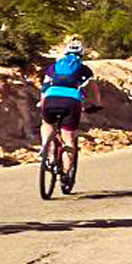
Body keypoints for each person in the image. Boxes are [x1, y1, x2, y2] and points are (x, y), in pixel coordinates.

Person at [37, 33, 96, 179]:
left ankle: (45, 147)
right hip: (71, 102)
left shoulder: (54, 67)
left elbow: (44, 87)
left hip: (50, 98)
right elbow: (93, 89)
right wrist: (96, 104)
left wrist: (42, 102)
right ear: (81, 55)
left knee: (47, 123)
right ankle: (65, 173)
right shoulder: (85, 70)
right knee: (68, 138)